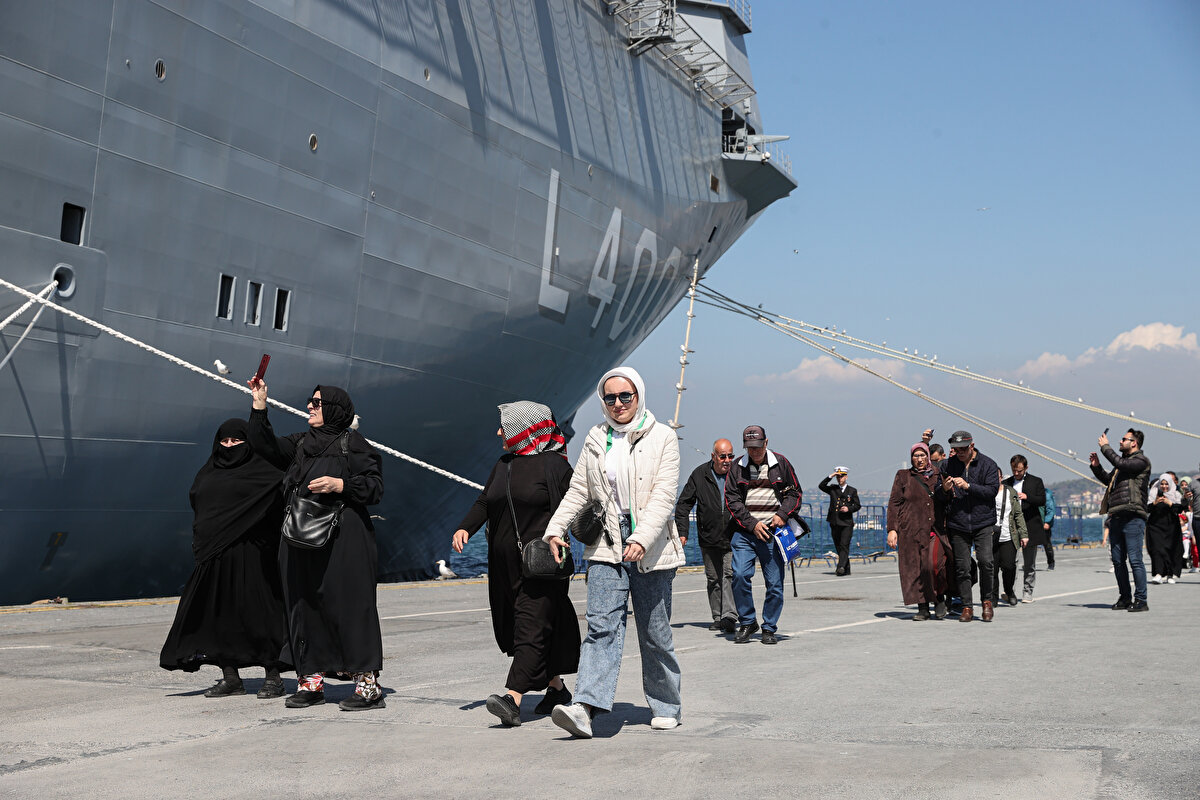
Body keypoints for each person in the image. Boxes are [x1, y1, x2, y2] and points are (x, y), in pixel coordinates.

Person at [543, 366, 684, 738]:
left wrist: (642, 537)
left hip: (650, 544)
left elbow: (664, 496)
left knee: (655, 632)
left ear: (638, 396)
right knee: (601, 626)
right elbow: (579, 491)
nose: (618, 403)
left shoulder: (663, 438)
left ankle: (666, 703)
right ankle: (585, 708)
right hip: (605, 541)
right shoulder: (595, 437)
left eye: (626, 396)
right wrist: (555, 529)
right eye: (610, 397)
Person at [248, 380, 387, 709]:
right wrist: (259, 406)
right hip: (299, 537)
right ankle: (310, 682)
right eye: (310, 401)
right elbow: (264, 445)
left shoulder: (352, 443)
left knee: (352, 608)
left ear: (335, 410)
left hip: (344, 539)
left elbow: (375, 487)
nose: (309, 406)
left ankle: (367, 689)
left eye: (317, 402)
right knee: (302, 607)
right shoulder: (301, 444)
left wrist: (340, 484)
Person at [451, 402, 580, 727]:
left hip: (541, 565)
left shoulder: (555, 465)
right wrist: (466, 527)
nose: (498, 433)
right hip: (505, 567)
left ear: (525, 430)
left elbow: (579, 506)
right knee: (529, 625)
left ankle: (512, 698)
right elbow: (484, 500)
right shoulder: (504, 464)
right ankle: (556, 688)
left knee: (530, 628)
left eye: (505, 428)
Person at [159, 418, 289, 697]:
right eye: (225, 441)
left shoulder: (263, 471)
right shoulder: (208, 472)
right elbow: (200, 505)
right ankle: (231, 676)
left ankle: (273, 675)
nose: (229, 446)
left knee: (262, 614)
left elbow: (278, 498)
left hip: (254, 554)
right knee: (221, 616)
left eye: (237, 441)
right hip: (216, 554)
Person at [724, 425, 803, 644]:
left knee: (775, 584)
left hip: (773, 532)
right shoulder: (736, 467)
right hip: (744, 532)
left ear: (766, 443)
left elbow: (795, 493)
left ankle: (769, 627)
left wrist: (782, 514)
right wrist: (752, 524)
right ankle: (748, 621)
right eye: (750, 448)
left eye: (758, 447)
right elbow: (732, 500)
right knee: (739, 575)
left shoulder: (781, 464)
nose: (754, 452)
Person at [674, 438, 738, 632]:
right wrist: (682, 532)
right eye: (723, 456)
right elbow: (684, 504)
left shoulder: (737, 474)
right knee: (713, 578)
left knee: (729, 575)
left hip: (734, 535)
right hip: (708, 536)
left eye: (730, 456)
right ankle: (718, 617)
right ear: (713, 456)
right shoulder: (699, 475)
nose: (727, 460)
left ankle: (729, 616)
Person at [937, 431, 1000, 623]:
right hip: (958, 522)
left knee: (986, 562)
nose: (960, 453)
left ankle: (987, 602)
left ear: (972, 446)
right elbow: (938, 494)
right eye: (956, 449)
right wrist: (945, 489)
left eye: (963, 449)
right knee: (962, 567)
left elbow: (992, 491)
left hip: (982, 522)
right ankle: (966, 606)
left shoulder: (988, 464)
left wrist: (968, 486)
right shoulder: (947, 465)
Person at [1089, 428, 1151, 613]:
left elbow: (1122, 464)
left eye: (1124, 439)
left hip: (1133, 516)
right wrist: (1096, 466)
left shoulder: (1141, 461)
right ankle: (1125, 597)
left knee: (1135, 560)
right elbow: (1109, 480)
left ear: (1134, 443)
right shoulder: (1121, 465)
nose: (1120, 441)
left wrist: (1105, 447)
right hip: (1116, 515)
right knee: (1117, 560)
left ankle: (1141, 600)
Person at [886, 443, 948, 619]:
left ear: (928, 456)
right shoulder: (903, 476)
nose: (919, 459)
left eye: (922, 455)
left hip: (935, 528)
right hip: (911, 529)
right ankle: (923, 608)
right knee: (915, 569)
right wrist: (892, 529)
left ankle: (939, 598)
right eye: (916, 456)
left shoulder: (938, 474)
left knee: (933, 565)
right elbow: (894, 503)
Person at [1004, 455, 1046, 603]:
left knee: (1029, 563)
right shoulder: (1006, 483)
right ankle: (1010, 591)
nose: (1016, 473)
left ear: (1026, 468)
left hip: (1030, 526)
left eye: (1019, 471)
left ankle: (1028, 591)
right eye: (1014, 470)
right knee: (1010, 562)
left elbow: (1042, 500)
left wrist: (1027, 497)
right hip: (1011, 527)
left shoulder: (1036, 481)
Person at [993, 468, 1028, 607]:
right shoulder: (984, 492)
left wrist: (1024, 534)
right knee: (991, 569)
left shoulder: (1010, 492)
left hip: (1009, 535)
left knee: (1009, 567)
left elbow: (1018, 514)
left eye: (997, 476)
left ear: (1001, 477)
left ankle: (1009, 591)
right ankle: (992, 596)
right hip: (990, 535)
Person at [819, 467, 861, 576]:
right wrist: (830, 476)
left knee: (844, 545)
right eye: (838, 476)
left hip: (846, 522)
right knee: (838, 545)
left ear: (846, 477)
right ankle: (847, 568)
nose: (839, 478)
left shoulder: (852, 491)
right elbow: (821, 486)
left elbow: (857, 505)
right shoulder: (833, 489)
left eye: (841, 476)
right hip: (834, 521)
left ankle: (841, 567)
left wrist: (848, 509)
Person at [1145, 473, 1183, 585]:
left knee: (1170, 549)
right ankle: (1158, 574)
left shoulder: (1176, 494)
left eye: (1166, 484)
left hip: (1171, 526)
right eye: (1162, 484)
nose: (1164, 486)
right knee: (1157, 549)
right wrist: (1155, 503)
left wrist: (1170, 503)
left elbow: (1180, 509)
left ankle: (1170, 574)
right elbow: (1147, 509)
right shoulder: (1153, 493)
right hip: (1155, 526)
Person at [1041, 486, 1057, 570]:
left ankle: (1051, 563)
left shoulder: (1046, 496)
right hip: (1036, 521)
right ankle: (1029, 563)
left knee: (1047, 544)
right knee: (1031, 544)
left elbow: (1050, 510)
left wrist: (1046, 522)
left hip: (1045, 522)